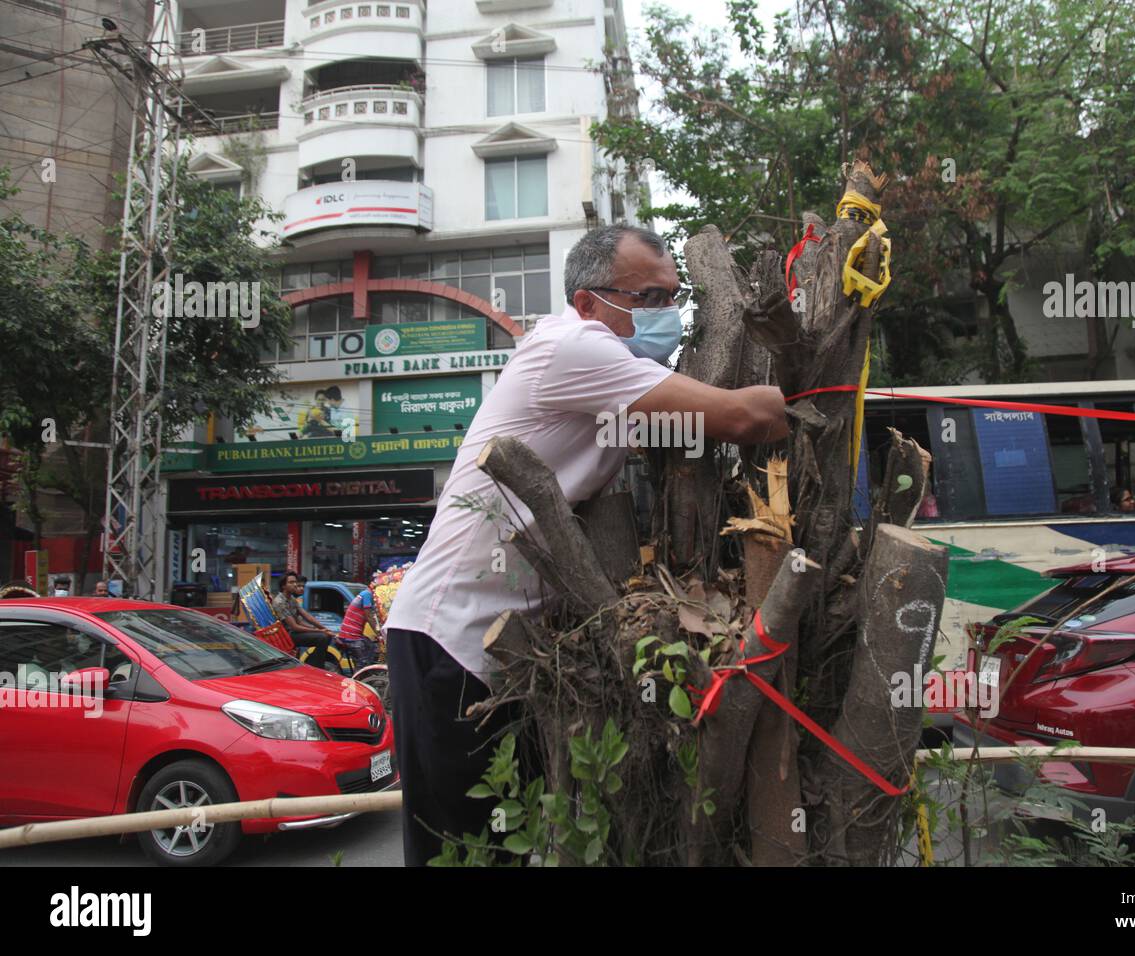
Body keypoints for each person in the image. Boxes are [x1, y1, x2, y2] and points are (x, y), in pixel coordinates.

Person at [384, 224, 789, 865]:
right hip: (450, 640)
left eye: (674, 297)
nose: (669, 314)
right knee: (461, 851)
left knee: (510, 843)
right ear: (588, 301)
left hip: (503, 649)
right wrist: (802, 392)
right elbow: (743, 417)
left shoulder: (618, 375)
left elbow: (689, 425)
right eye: (649, 297)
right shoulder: (575, 346)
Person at [271, 572, 333, 668]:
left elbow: (307, 617)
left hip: (294, 633)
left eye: (295, 582)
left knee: (327, 636)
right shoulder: (279, 602)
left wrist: (325, 629)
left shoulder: (291, 599)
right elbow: (295, 627)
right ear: (284, 586)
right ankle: (315, 666)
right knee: (322, 637)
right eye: (291, 582)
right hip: (287, 635)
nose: (295, 585)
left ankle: (315, 663)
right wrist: (318, 630)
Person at [337, 585, 381, 668]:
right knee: (363, 662)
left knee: (371, 646)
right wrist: (378, 632)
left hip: (353, 635)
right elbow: (368, 616)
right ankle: (360, 677)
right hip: (351, 636)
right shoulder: (367, 595)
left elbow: (373, 616)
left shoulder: (365, 595)